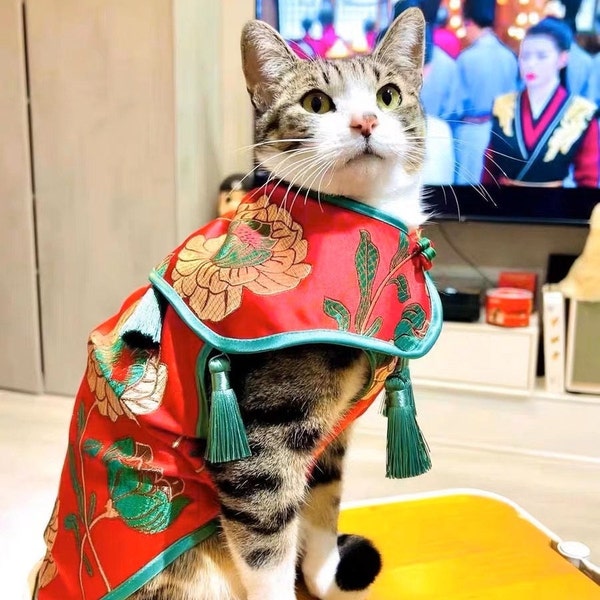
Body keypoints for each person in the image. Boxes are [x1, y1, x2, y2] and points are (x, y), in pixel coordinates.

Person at [482, 18, 600, 188]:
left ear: (563, 58)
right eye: (525, 56)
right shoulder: (503, 105)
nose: (531, 64)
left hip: (554, 208)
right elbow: (489, 170)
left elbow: (588, 180)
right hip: (503, 207)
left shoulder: (581, 111)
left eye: (541, 56)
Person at [454, 0, 519, 185]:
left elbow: (457, 104)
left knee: (465, 186)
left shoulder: (466, 58)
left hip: (470, 131)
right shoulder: (509, 56)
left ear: (469, 23)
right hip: (501, 133)